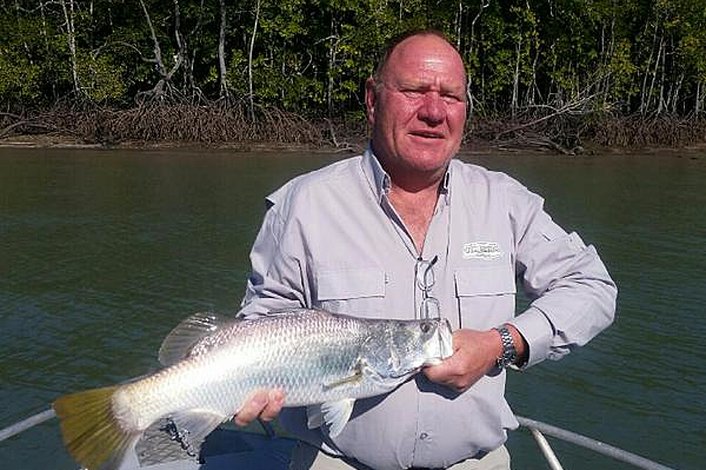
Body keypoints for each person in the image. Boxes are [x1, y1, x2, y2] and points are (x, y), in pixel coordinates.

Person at [235, 29, 617, 470]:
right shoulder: (302, 204)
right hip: (334, 461)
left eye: (450, 96)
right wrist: (251, 381)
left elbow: (591, 286)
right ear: (373, 99)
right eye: (414, 91)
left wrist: (502, 344)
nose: (434, 112)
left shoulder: (507, 203)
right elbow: (265, 319)